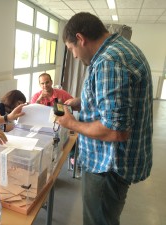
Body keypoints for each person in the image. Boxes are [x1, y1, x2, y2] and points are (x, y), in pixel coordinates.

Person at [56, 12, 153, 225]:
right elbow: (117, 102)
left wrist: (71, 123)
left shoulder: (109, 61)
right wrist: (82, 102)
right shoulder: (120, 48)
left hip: (107, 165)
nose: (73, 56)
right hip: (113, 163)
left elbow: (116, 131)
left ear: (81, 39)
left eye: (71, 49)